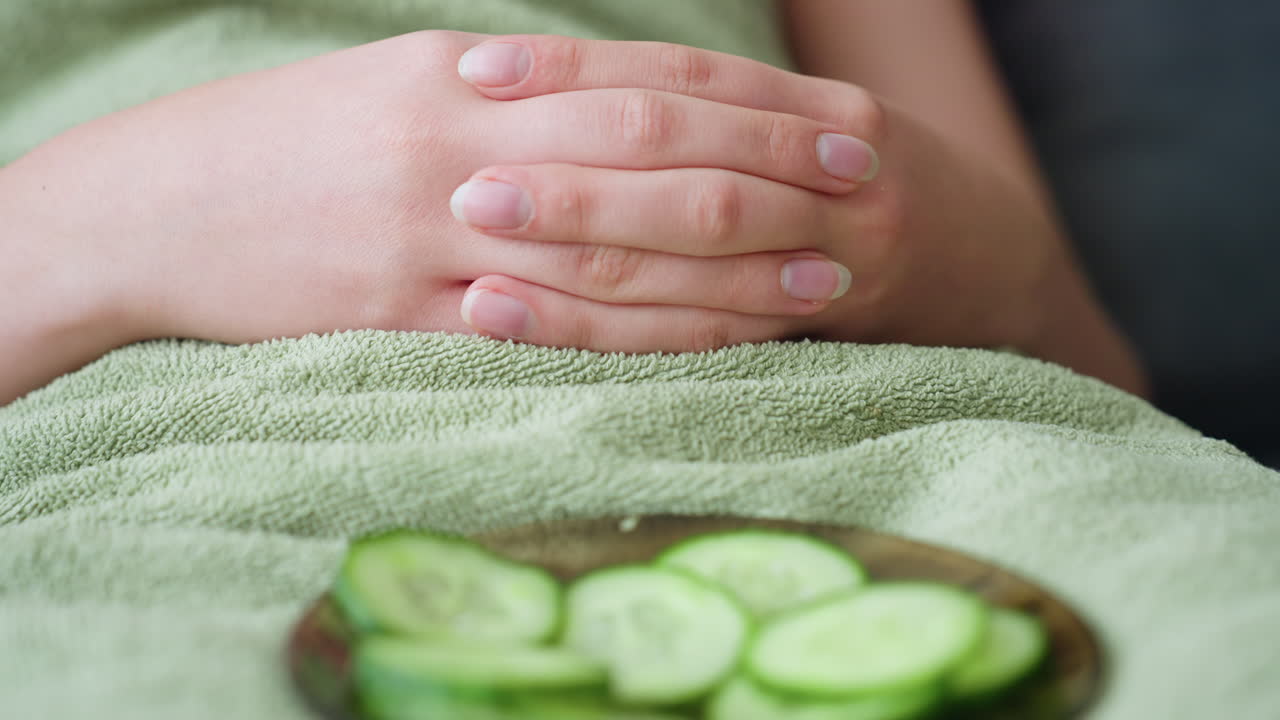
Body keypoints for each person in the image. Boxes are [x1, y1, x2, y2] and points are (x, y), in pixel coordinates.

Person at [10, 1, 1248, 448]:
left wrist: (926, 230)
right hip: (131, 480)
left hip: (912, 446)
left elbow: (1091, 364)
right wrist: (144, 208)